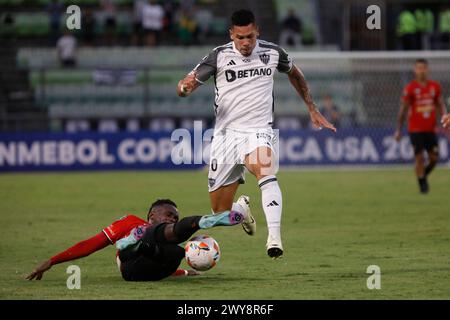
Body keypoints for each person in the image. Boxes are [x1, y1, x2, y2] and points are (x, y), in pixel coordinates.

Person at [176, 10, 336, 259]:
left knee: (264, 170)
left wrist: (312, 109)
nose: (246, 42)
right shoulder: (219, 56)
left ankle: (274, 239)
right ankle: (242, 210)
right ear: (232, 35)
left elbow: (295, 74)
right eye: (240, 37)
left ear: (257, 32)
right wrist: (185, 88)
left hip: (259, 130)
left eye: (250, 36)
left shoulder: (273, 52)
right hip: (226, 137)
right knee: (220, 211)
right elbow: (191, 80)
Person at [26, 199, 246, 281]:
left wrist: (184, 271)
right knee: (152, 236)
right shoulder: (131, 222)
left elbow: (166, 262)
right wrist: (53, 260)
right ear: (152, 214)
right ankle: (131, 242)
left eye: (175, 217)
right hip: (131, 264)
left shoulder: (165, 235)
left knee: (180, 251)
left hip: (154, 269)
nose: (172, 217)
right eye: (169, 214)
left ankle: (205, 221)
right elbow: (90, 245)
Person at [394, 59, 447, 194]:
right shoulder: (410, 88)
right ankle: (422, 183)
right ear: (415, 70)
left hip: (430, 129)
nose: (421, 71)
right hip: (415, 129)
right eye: (418, 68)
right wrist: (398, 130)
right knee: (419, 158)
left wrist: (445, 119)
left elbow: (440, 104)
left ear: (427, 69)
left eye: (423, 68)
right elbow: (403, 110)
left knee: (434, 158)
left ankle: (422, 176)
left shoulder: (435, 86)